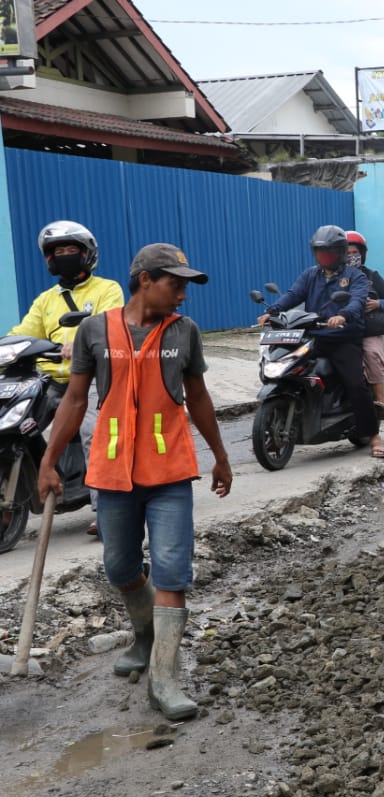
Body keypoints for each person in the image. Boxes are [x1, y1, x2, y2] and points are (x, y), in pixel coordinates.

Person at [37, 243, 233, 720]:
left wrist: (221, 456)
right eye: (176, 283)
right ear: (145, 279)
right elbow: (76, 400)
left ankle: (165, 678)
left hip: (169, 472)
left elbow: (199, 396)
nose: (184, 295)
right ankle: (144, 636)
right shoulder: (94, 331)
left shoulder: (184, 332)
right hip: (112, 469)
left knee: (171, 570)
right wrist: (49, 460)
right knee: (120, 567)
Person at [9, 221, 125, 536]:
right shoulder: (45, 300)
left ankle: (107, 513)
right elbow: (23, 333)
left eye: (70, 250)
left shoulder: (107, 289)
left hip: (92, 379)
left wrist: (85, 341)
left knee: (92, 433)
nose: (64, 256)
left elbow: (111, 323)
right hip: (51, 379)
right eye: (57, 251)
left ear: (87, 254)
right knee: (15, 425)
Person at [257, 225, 380, 454]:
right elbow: (294, 295)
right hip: (314, 336)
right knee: (288, 367)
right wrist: (272, 311)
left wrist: (342, 315)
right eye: (320, 252)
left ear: (340, 253)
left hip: (343, 338)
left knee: (355, 384)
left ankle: (373, 437)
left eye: (329, 253)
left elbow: (357, 301)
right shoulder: (310, 275)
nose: (324, 257)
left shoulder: (355, 276)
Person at [346, 230, 384, 458]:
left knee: (372, 355)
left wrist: (377, 304)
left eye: (354, 252)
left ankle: (379, 400)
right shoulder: (334, 277)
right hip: (343, 330)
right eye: (346, 252)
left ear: (362, 254)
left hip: (369, 329)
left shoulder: (372, 276)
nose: (350, 256)